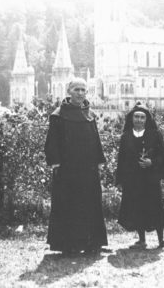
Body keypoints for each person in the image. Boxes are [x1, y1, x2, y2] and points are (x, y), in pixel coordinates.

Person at [44, 78, 108, 254]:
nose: (80, 93)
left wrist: (99, 161)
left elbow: (96, 139)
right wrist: (55, 162)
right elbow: (52, 142)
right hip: (67, 169)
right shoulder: (58, 115)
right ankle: (68, 245)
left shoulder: (90, 114)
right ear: (68, 91)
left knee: (90, 203)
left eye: (83, 90)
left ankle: (92, 244)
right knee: (69, 204)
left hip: (88, 168)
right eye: (76, 89)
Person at [116, 102, 164, 249]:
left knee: (156, 207)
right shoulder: (126, 136)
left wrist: (151, 162)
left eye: (142, 117)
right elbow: (121, 158)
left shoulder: (155, 134)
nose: (139, 120)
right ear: (131, 119)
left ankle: (161, 241)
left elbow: (162, 155)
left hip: (150, 178)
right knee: (137, 207)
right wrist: (121, 179)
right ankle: (142, 240)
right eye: (136, 117)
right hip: (133, 179)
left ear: (147, 119)